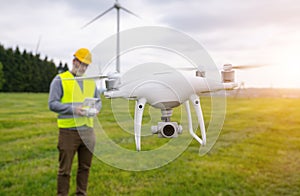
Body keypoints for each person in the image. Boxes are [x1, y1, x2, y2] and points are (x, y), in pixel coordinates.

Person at [48, 48, 101, 196]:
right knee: (65, 170)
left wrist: (96, 109)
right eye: (81, 64)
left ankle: (81, 193)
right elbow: (52, 104)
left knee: (85, 167)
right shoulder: (60, 79)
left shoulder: (90, 82)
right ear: (74, 61)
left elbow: (98, 101)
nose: (83, 68)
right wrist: (74, 109)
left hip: (88, 131)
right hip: (68, 132)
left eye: (86, 65)